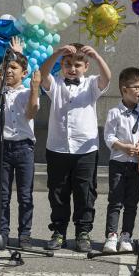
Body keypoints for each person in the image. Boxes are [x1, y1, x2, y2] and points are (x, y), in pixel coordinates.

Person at [40, 43, 111, 252]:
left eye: (77, 65)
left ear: (85, 67)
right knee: (58, 192)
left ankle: (83, 232)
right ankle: (59, 231)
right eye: (68, 64)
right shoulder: (56, 83)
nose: (72, 68)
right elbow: (43, 74)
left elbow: (107, 78)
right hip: (58, 147)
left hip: (85, 148)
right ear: (62, 66)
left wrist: (97, 56)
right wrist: (56, 53)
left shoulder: (90, 84)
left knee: (85, 192)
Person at [0, 37, 41, 250]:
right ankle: (2, 233)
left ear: (24, 73)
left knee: (25, 195)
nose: (9, 71)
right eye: (6, 67)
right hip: (2, 146)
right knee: (2, 195)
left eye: (14, 67)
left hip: (24, 148)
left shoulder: (26, 92)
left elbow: (31, 113)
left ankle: (24, 235)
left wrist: (34, 88)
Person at [102, 67, 139, 253]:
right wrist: (124, 147)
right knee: (115, 200)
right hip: (119, 162)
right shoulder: (114, 112)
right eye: (136, 87)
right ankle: (111, 236)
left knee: (131, 202)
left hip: (135, 164)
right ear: (124, 89)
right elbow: (108, 137)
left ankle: (126, 235)